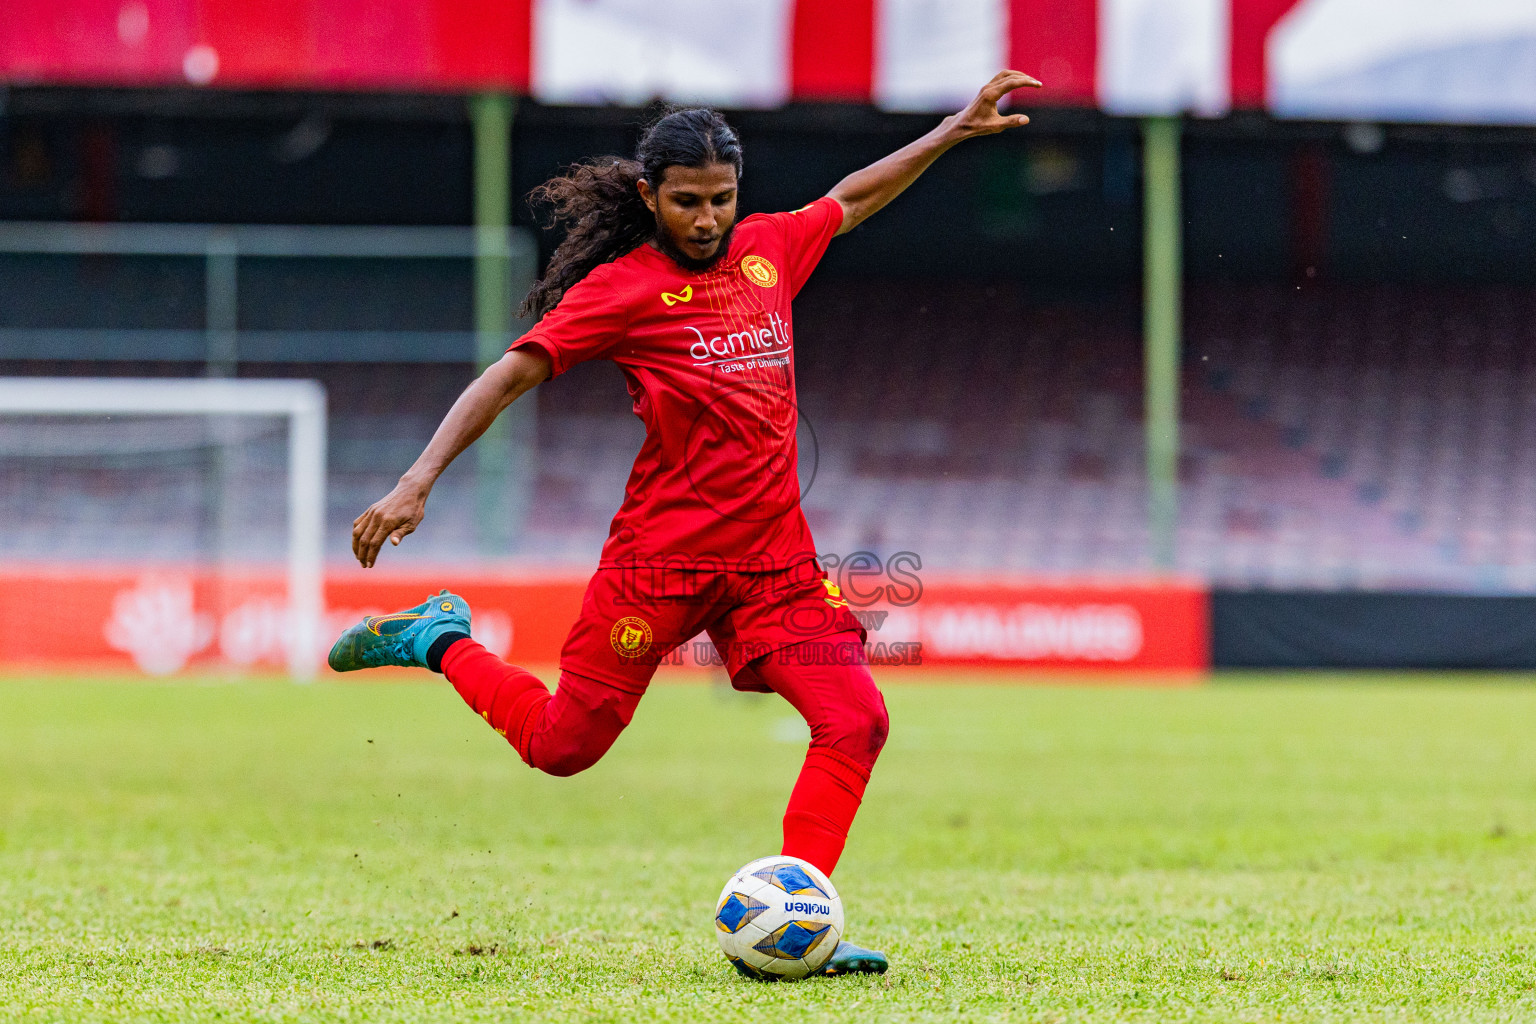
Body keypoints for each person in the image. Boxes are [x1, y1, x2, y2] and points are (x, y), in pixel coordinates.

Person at [329, 69, 1040, 978]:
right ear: (649, 196)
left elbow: (851, 197)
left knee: (856, 719)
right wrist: (416, 480)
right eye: (687, 203)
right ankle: (440, 640)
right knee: (562, 749)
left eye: (722, 200)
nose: (706, 220)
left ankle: (795, 925)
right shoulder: (623, 290)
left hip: (774, 567)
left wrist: (948, 131)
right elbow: (508, 375)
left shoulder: (769, 251)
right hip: (657, 565)